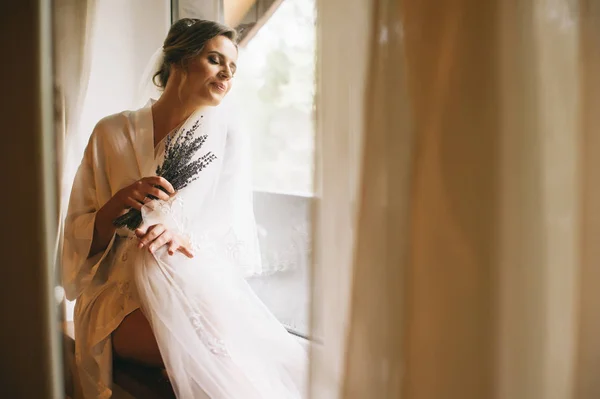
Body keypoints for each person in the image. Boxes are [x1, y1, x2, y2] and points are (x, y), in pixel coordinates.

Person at [63, 18, 307, 399]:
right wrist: (116, 205)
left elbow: (230, 224)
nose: (227, 72)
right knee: (206, 347)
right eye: (215, 59)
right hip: (118, 292)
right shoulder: (110, 133)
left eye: (233, 67)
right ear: (178, 60)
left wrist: (181, 234)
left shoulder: (227, 134)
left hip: (191, 279)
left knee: (233, 349)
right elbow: (77, 242)